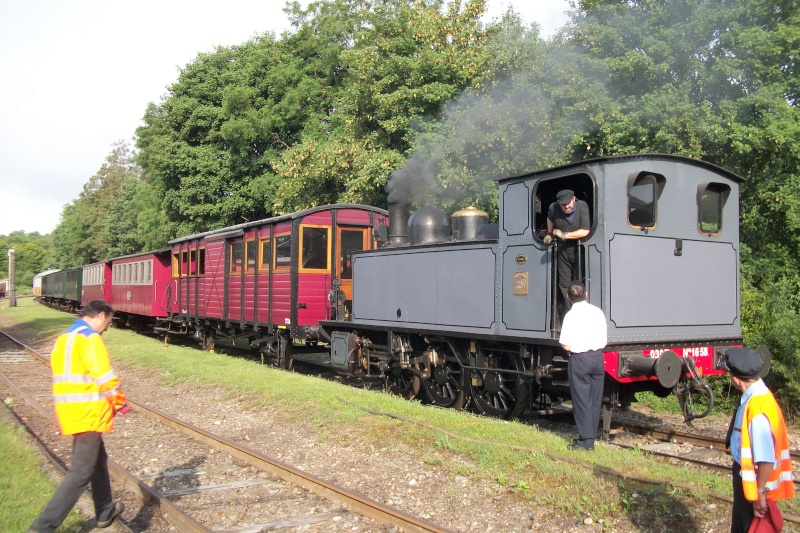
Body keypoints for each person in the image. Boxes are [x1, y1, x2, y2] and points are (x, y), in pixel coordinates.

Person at [28, 300, 130, 533]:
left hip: (70, 410)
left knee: (97, 460)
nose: (106, 328)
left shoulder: (64, 338)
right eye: (108, 322)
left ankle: (105, 511)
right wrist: (120, 401)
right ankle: (42, 527)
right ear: (101, 315)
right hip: (88, 412)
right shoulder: (89, 338)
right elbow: (104, 376)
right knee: (80, 473)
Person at [722, 347, 794, 533]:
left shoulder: (758, 407)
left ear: (737, 379)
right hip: (751, 482)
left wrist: (759, 494)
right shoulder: (758, 398)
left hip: (753, 485)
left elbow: (766, 458)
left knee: (748, 528)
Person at [559, 282, 607, 451]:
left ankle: (586, 442)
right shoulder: (597, 312)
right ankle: (590, 438)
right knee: (594, 400)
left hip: (580, 359)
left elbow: (565, 344)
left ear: (568, 297)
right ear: (585, 294)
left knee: (581, 401)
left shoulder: (571, 316)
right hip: (597, 358)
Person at [543, 190, 591, 322]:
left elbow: (585, 230)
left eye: (568, 204)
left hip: (578, 249)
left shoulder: (582, 206)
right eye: (563, 205)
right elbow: (550, 218)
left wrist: (565, 235)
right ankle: (567, 317)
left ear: (574, 199)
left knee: (578, 283)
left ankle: (582, 318)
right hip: (563, 251)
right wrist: (549, 233)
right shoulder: (554, 207)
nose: (566, 207)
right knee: (563, 284)